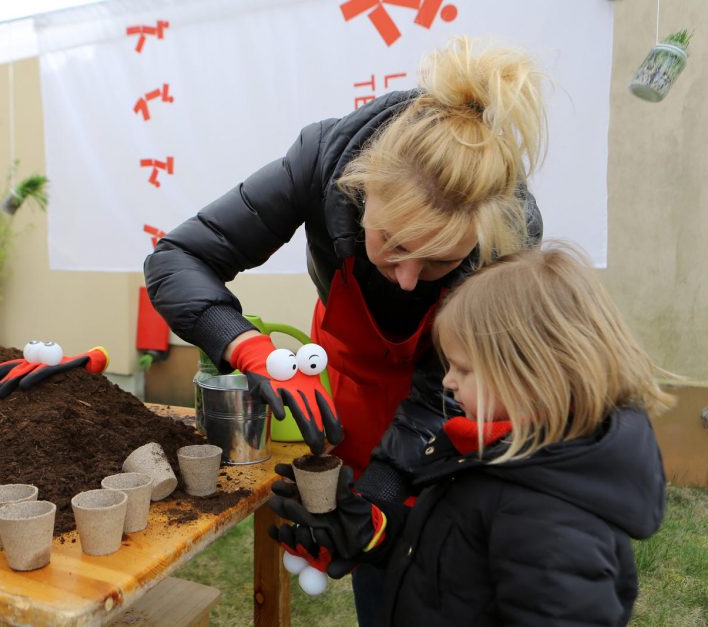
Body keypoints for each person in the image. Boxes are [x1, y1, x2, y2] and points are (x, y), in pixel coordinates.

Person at [144, 37, 546, 622]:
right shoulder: (323, 158)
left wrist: (385, 487)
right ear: (360, 189)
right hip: (351, 386)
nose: (409, 281)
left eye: (437, 263)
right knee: (374, 567)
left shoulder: (509, 227)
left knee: (443, 560)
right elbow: (177, 258)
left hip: (454, 395)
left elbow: (457, 382)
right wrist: (249, 349)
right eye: (394, 245)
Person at [269, 244, 672, 625]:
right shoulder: (494, 457)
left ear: (527, 375)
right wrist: (375, 531)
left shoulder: (553, 524)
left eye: (463, 369)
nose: (447, 382)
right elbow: (453, 559)